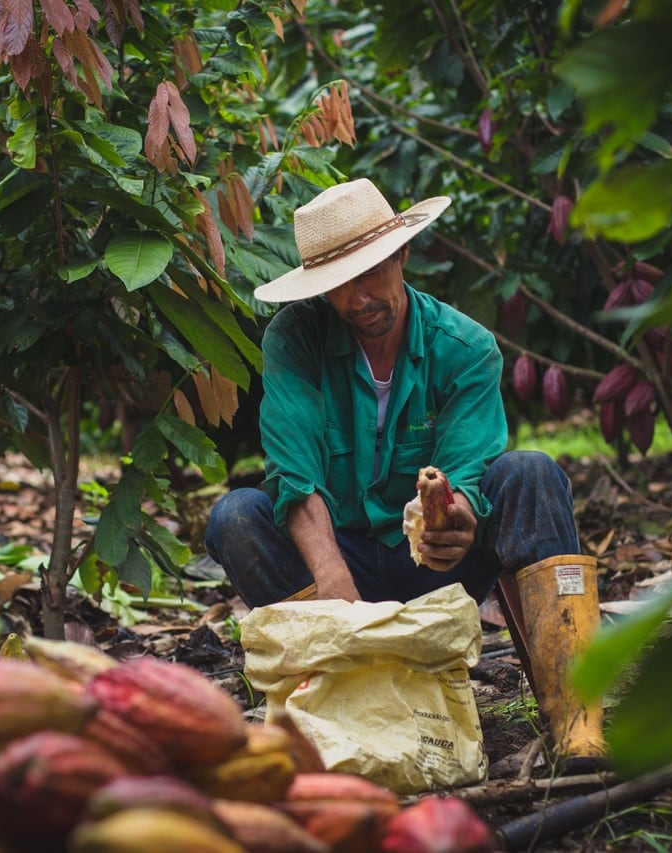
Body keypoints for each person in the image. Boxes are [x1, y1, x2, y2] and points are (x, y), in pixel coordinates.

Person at [204, 178, 605, 759]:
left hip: (435, 571)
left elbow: (470, 472)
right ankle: (343, 703)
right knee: (236, 517)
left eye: (370, 273)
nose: (359, 299)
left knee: (531, 473)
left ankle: (578, 721)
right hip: (336, 572)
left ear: (401, 254)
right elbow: (294, 475)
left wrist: (457, 521)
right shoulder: (294, 339)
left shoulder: (464, 347)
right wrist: (342, 600)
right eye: (340, 285)